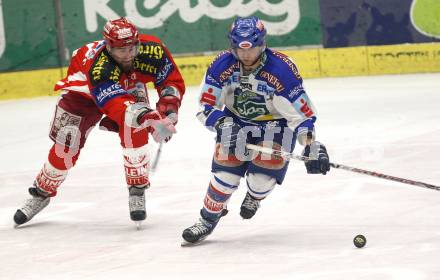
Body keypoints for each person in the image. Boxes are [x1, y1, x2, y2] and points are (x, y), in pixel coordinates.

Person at [13, 17, 185, 227]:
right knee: (67, 144)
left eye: (133, 48)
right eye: (122, 50)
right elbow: (114, 103)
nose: (129, 55)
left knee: (135, 129)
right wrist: (148, 116)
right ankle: (41, 193)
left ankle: (137, 189)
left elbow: (170, 80)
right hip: (85, 90)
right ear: (108, 47)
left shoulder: (153, 51)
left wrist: (168, 110)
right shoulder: (99, 66)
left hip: (128, 85)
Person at [181, 16, 330, 244]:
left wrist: (310, 145)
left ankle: (254, 195)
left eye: (252, 49)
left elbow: (301, 114)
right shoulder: (222, 65)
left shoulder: (282, 70)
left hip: (276, 125)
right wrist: (222, 123)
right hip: (236, 122)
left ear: (262, 44)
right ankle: (207, 220)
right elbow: (205, 106)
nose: (246, 56)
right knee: (225, 174)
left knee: (262, 177)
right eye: (240, 51)